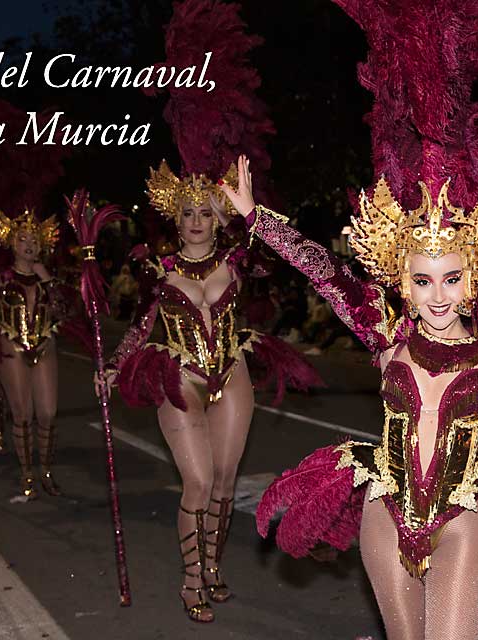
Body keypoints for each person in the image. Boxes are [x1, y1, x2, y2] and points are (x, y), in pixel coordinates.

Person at [226, 153, 478, 638]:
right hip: (385, 509)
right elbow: (324, 271)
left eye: (451, 279)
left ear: (473, 278)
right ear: (404, 282)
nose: (439, 296)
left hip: (462, 517)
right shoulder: (386, 335)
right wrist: (257, 218)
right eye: (423, 281)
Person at [100, 162, 321, 623]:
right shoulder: (157, 271)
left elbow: (270, 263)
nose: (197, 220)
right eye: (188, 212)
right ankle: (192, 579)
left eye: (205, 212)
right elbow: (139, 326)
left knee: (224, 481)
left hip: (230, 370)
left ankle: (214, 566)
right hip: (181, 375)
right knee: (198, 483)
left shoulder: (237, 262)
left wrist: (240, 218)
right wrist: (115, 365)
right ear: (175, 218)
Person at [0, 211, 70, 500]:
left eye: (35, 240)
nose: (29, 245)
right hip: (11, 346)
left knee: (48, 413)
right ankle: (27, 471)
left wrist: (47, 280)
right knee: (22, 414)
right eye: (23, 239)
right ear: (11, 243)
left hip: (45, 344)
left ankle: (46, 470)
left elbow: (64, 313)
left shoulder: (49, 280)